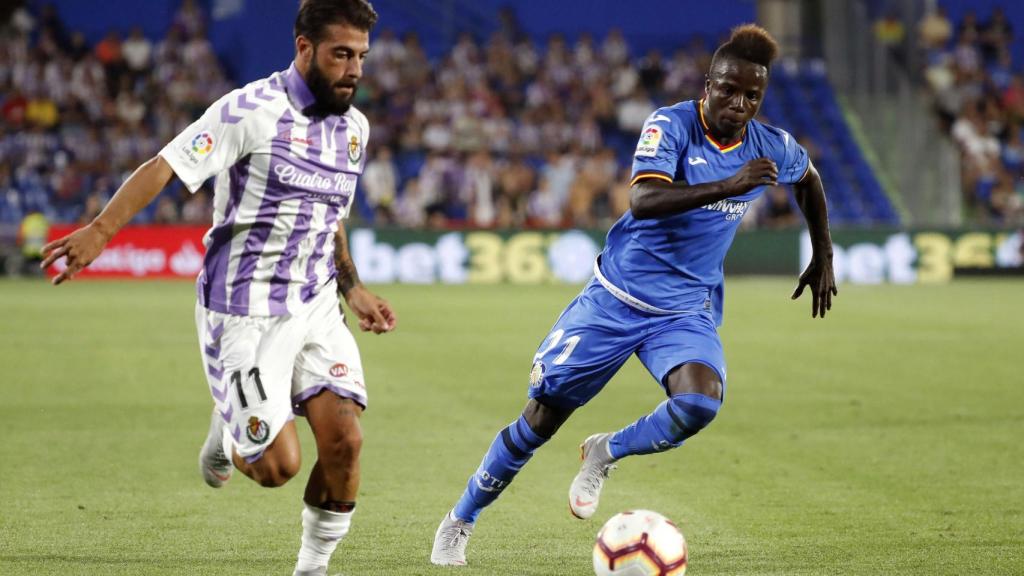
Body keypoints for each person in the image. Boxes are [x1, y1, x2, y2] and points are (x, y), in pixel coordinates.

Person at [431, 23, 837, 566]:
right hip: (616, 300)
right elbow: (643, 200)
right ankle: (460, 519)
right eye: (729, 90)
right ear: (708, 85)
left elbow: (808, 179)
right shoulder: (670, 125)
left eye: (752, 95)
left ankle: (606, 451)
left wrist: (823, 254)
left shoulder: (771, 145)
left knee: (700, 402)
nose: (739, 104)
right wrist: (729, 185)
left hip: (685, 310)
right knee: (540, 421)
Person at [40, 2, 394, 575]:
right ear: (304, 48)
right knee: (277, 468)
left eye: (361, 56)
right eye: (341, 55)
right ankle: (227, 428)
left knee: (345, 442)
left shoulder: (354, 128)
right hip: (243, 310)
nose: (354, 69)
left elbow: (330, 215)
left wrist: (352, 289)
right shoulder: (249, 111)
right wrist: (101, 231)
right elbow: (165, 165)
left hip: (315, 304)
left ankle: (312, 569)